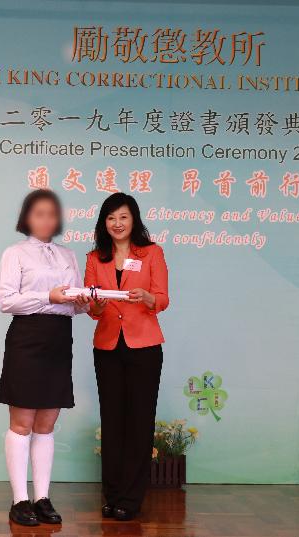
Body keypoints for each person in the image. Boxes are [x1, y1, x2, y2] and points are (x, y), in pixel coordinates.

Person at [0, 190, 90, 526]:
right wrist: (47, 296)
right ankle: (19, 500)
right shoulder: (15, 253)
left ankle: (42, 498)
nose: (46, 220)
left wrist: (88, 303)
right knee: (22, 424)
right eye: (39, 213)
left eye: (52, 214)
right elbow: (7, 301)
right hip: (27, 340)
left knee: (47, 425)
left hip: (58, 341)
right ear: (26, 217)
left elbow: (75, 302)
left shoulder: (68, 254)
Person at [84, 192, 169, 521]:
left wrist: (148, 297)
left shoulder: (151, 253)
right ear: (103, 223)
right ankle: (113, 494)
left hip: (144, 347)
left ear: (134, 220)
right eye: (110, 218)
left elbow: (163, 298)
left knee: (139, 422)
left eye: (123, 217)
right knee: (113, 421)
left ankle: (132, 499)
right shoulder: (95, 258)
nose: (117, 224)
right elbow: (91, 306)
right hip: (107, 347)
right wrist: (96, 305)